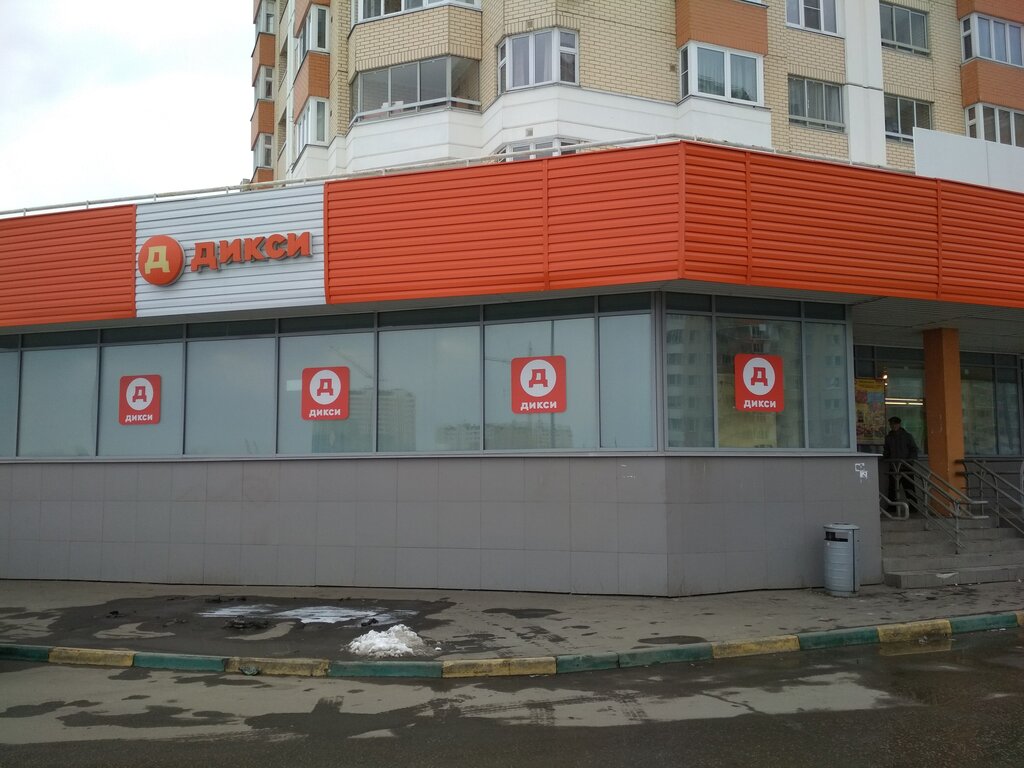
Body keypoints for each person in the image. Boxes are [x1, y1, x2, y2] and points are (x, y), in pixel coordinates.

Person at [883, 416, 919, 511]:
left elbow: (914, 450)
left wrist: (909, 461)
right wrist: (885, 457)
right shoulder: (889, 437)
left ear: (899, 424)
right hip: (894, 466)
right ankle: (892, 507)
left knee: (909, 488)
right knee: (892, 488)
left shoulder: (907, 436)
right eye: (891, 424)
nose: (893, 426)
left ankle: (913, 507)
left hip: (905, 466)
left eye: (895, 424)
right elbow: (886, 450)